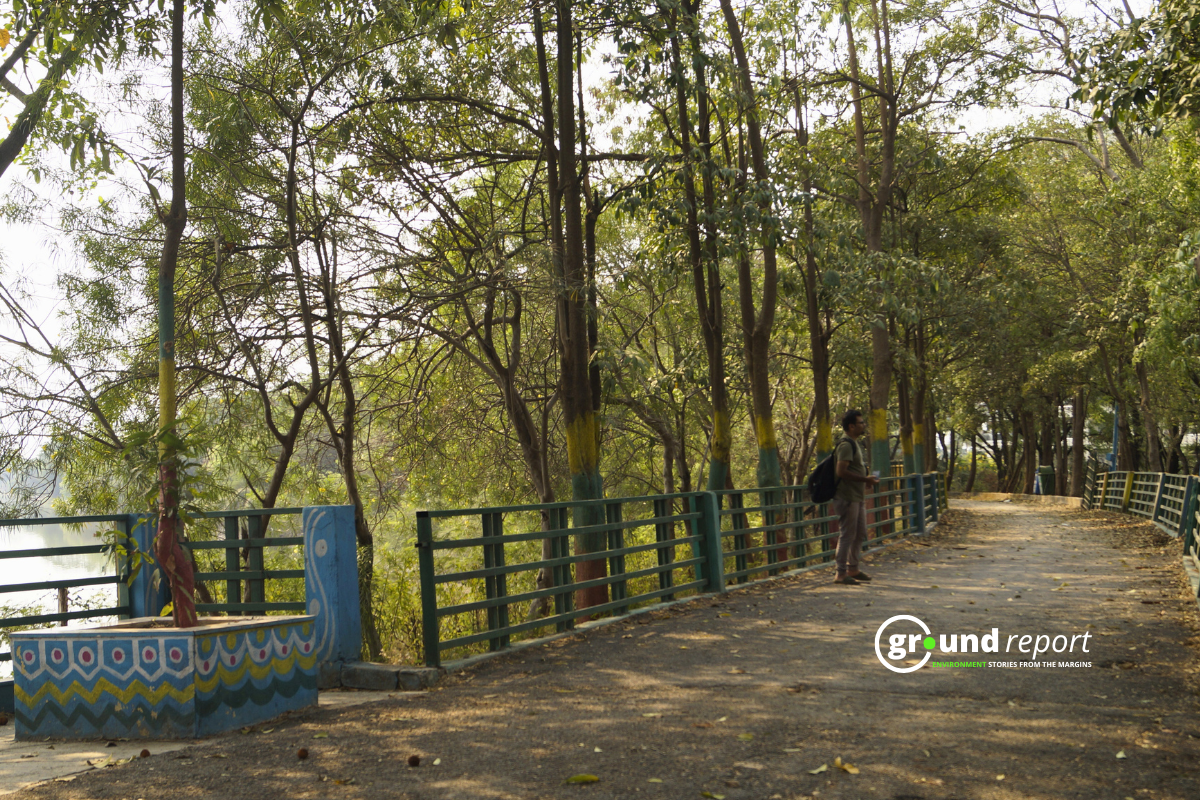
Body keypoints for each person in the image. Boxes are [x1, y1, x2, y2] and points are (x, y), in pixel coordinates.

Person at [832, 409, 879, 585]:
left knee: (860, 534)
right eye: (861, 423)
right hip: (847, 497)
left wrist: (865, 481)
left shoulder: (854, 444)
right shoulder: (845, 445)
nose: (863, 425)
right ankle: (840, 573)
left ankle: (853, 568)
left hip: (857, 496)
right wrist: (864, 478)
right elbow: (841, 471)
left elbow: (852, 470)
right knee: (847, 534)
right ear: (851, 426)